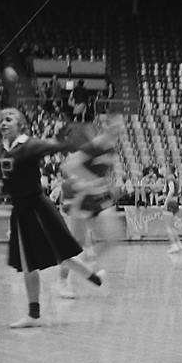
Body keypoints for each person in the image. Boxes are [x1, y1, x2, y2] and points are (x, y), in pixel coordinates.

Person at [0, 108, 105, 327]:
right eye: (1, 121)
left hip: (36, 207)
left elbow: (55, 145)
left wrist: (72, 141)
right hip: (21, 210)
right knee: (41, 259)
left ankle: (34, 315)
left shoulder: (30, 145)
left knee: (53, 254)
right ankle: (94, 278)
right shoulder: (2, 151)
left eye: (9, 119)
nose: (3, 123)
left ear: (21, 125)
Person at [55, 118, 122, 298]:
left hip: (100, 198)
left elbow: (103, 172)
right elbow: (69, 166)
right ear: (105, 128)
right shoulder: (93, 146)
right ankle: (62, 282)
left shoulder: (111, 149)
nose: (118, 130)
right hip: (82, 198)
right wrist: (91, 181)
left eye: (119, 127)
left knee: (113, 237)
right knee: (74, 245)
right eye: (114, 126)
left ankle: (88, 266)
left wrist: (109, 185)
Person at [164, 166, 182, 254]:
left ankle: (173, 245)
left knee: (168, 226)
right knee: (172, 226)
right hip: (176, 203)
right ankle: (179, 244)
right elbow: (177, 192)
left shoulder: (170, 179)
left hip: (171, 203)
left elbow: (171, 191)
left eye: (166, 168)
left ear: (169, 170)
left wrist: (165, 202)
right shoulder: (176, 179)